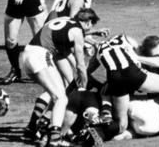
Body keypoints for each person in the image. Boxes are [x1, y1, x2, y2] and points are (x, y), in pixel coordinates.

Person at [19, 9, 99, 147]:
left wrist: (78, 75)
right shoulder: (77, 31)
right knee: (61, 98)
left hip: (26, 55)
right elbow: (80, 64)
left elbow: (66, 56)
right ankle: (55, 137)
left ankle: (39, 126)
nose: (91, 28)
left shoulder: (62, 21)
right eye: (92, 25)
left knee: (58, 92)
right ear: (88, 22)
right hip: (40, 56)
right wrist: (84, 84)